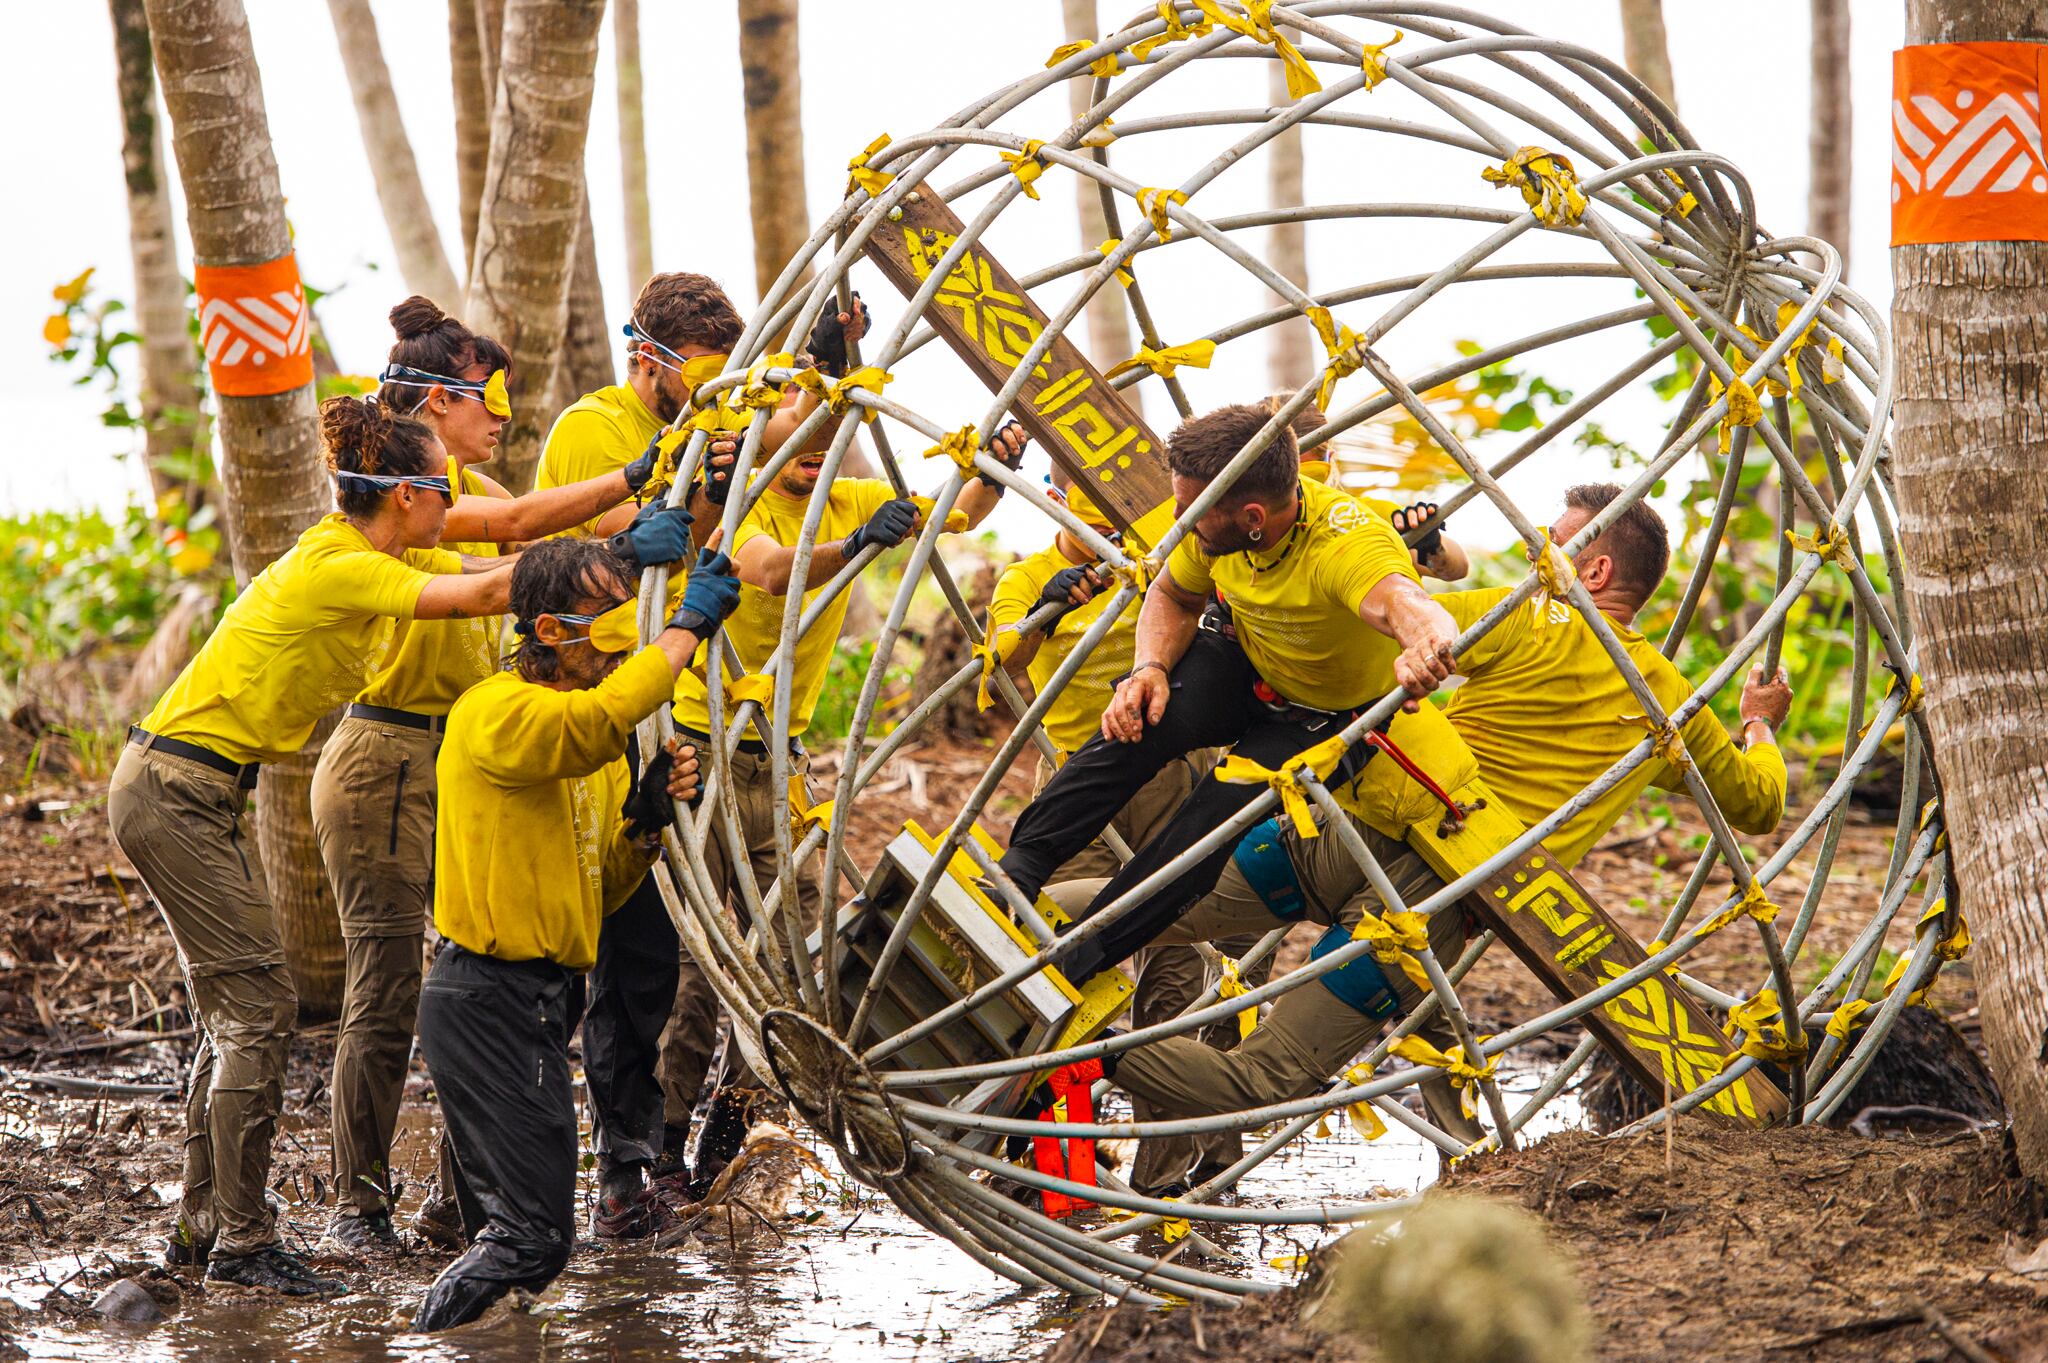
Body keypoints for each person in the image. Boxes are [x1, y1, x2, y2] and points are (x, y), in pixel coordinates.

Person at [1043, 484, 1792, 1145]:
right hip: (1425, 907)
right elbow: (1758, 804)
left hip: (1334, 837)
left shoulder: (1528, 619)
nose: (1538, 559)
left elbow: (1400, 616)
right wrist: (1758, 722)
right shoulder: (1668, 710)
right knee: (1264, 1080)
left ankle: (1010, 931)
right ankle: (1081, 1058)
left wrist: (1396, 565)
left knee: (1137, 908)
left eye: (1551, 547)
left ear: (1593, 573)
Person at [105, 397, 522, 1295]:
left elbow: (509, 558)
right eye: (445, 494)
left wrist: (624, 541)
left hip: (197, 787)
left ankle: (201, 1224)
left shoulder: (370, 549)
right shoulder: (345, 565)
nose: (459, 509)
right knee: (259, 1008)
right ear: (407, 495)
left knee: (238, 1008)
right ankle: (243, 1243)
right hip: (173, 787)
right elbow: (488, 588)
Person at [309, 298, 687, 1255]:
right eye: (490, 399)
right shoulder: (402, 495)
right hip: (391, 755)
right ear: (438, 400)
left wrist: (684, 494)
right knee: (388, 992)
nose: (505, 415)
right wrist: (633, 483)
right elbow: (520, 535)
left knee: (473, 976)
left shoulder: (461, 486)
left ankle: (460, 1199)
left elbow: (543, 551)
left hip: (461, 755)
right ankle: (358, 1209)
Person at [656, 304, 1027, 1194]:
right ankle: (661, 1154)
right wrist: (855, 542)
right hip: (702, 752)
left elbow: (958, 515)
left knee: (796, 963)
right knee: (699, 977)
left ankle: (725, 1143)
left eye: (833, 435)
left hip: (781, 763)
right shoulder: (729, 490)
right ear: (767, 427)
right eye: (802, 427)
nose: (818, 449)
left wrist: (996, 470)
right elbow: (766, 571)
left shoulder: (845, 491)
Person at [993, 402, 1462, 987]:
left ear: (1253, 517)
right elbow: (1173, 594)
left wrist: (1425, 648)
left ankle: (1082, 953)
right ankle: (1020, 868)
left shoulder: (1345, 545)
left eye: (1192, 510)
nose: (1179, 520)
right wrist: (1150, 668)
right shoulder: (1206, 521)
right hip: (1248, 660)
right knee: (1138, 721)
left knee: (1210, 825)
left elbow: (1410, 606)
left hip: (1325, 717)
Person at [412, 536, 740, 1332]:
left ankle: (460, 1340)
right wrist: (687, 628)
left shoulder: (589, 753)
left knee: (520, 1240)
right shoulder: (495, 711)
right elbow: (595, 719)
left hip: (536, 1001)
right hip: (486, 999)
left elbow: (600, 892)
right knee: (532, 1241)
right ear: (549, 631)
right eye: (603, 622)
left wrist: (644, 820)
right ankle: (410, 1342)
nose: (619, 639)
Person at [987, 469, 1233, 1195]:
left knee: (1180, 974)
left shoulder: (1163, 554)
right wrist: (1043, 611)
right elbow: (1000, 657)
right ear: (1054, 499)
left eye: (1118, 515)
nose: (1109, 532)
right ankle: (1054, 1173)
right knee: (1060, 969)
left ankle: (1171, 1183)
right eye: (1087, 507)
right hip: (1079, 787)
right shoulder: (1027, 575)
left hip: (1169, 774)